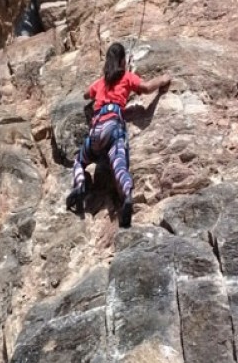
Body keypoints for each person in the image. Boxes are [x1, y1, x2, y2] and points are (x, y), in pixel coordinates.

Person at [66, 42, 171, 227]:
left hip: (96, 129)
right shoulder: (126, 76)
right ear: (123, 61)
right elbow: (146, 88)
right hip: (113, 126)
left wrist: (101, 83)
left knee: (79, 161)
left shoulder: (100, 82)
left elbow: (85, 95)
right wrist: (163, 79)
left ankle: (80, 183)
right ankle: (127, 194)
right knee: (119, 164)